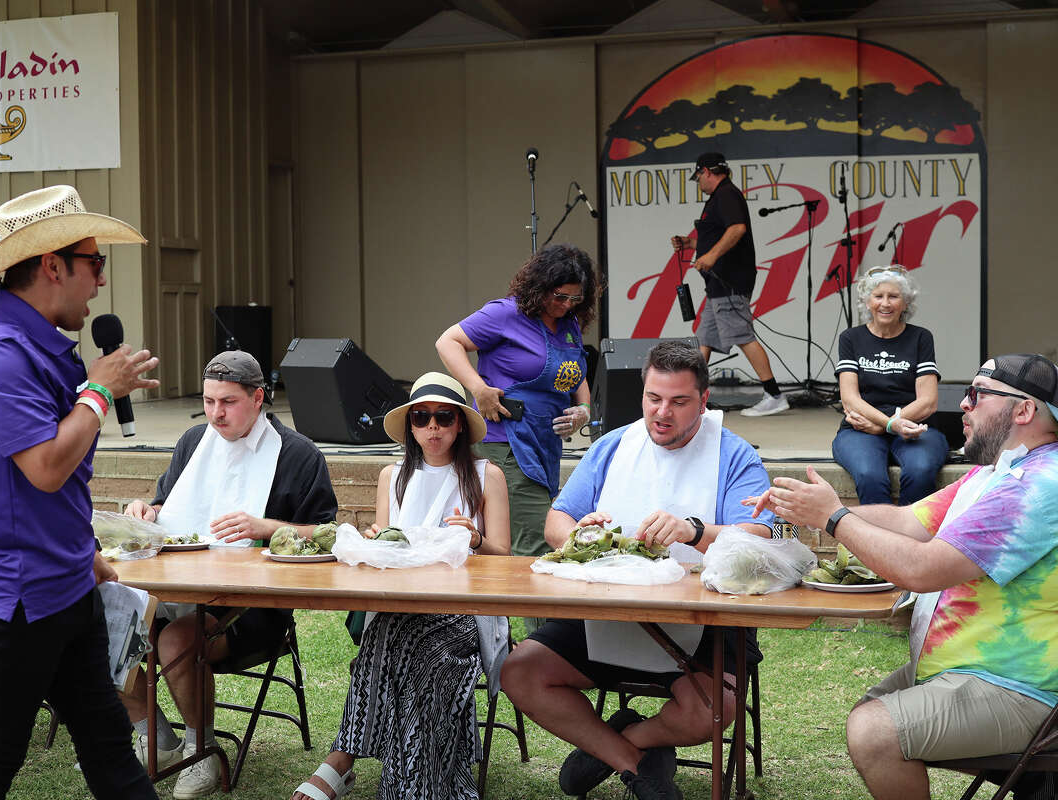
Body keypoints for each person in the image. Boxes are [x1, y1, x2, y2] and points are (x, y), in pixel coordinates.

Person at [750, 353, 1058, 800]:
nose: (964, 407)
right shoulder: (999, 471)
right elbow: (908, 522)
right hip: (982, 672)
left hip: (1025, 691)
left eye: (977, 395)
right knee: (870, 713)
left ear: (1023, 410)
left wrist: (833, 517)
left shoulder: (1030, 488)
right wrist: (807, 511)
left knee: (873, 732)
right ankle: (1044, 787)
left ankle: (1043, 780)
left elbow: (921, 569)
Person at [0, 185, 160, 798]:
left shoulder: (34, 342)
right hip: (15, 603)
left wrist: (83, 555)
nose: (101, 282)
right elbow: (44, 468)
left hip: (63, 587)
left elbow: (45, 490)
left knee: (110, 749)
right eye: (95, 263)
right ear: (53, 266)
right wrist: (99, 392)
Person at [501, 341, 774, 800]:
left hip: (703, 620)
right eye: (653, 398)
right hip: (608, 611)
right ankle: (632, 763)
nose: (662, 412)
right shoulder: (612, 445)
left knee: (714, 709)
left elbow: (763, 535)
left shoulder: (734, 453)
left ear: (704, 401)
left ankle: (632, 738)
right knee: (520, 673)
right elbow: (556, 521)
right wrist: (579, 534)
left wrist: (694, 529)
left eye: (679, 401)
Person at [121, 350, 338, 799]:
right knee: (99, 622)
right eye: (209, 401)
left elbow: (330, 535)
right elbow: (170, 508)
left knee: (177, 639)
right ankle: (156, 737)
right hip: (174, 587)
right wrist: (147, 511)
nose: (216, 413)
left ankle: (201, 750)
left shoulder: (299, 454)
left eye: (228, 402)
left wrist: (269, 527)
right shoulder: (192, 441)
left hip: (254, 606)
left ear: (259, 398)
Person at [292, 372, 510, 800]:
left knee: (394, 641)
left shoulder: (488, 475)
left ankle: (343, 761)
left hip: (465, 610)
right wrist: (376, 541)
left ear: (460, 423)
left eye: (443, 417)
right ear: (410, 425)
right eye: (421, 418)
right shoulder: (392, 476)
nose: (432, 427)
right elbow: (389, 552)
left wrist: (477, 539)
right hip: (399, 605)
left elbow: (505, 562)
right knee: (395, 635)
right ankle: (408, 777)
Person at [436, 243, 597, 562]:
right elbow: (447, 341)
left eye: (574, 298)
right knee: (537, 544)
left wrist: (584, 409)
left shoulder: (569, 323)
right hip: (507, 446)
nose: (566, 305)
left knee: (535, 541)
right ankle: (544, 613)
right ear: (540, 287)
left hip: (545, 445)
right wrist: (479, 389)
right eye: (559, 296)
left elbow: (575, 373)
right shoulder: (505, 313)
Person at [671, 152, 787, 418]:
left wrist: (710, 256)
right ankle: (693, 395)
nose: (698, 182)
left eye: (698, 176)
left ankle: (774, 395)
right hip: (718, 285)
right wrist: (691, 244)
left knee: (742, 336)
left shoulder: (726, 195)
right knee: (705, 339)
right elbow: (718, 235)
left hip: (730, 281)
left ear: (707, 172)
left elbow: (737, 229)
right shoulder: (720, 197)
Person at [831, 266, 949, 505]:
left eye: (894, 296)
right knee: (869, 475)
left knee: (920, 471)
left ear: (905, 303)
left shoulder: (921, 337)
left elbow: (928, 401)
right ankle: (875, 540)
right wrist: (889, 425)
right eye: (878, 296)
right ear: (867, 302)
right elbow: (850, 399)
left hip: (914, 425)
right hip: (859, 429)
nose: (885, 303)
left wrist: (886, 426)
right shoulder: (850, 338)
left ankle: (911, 538)